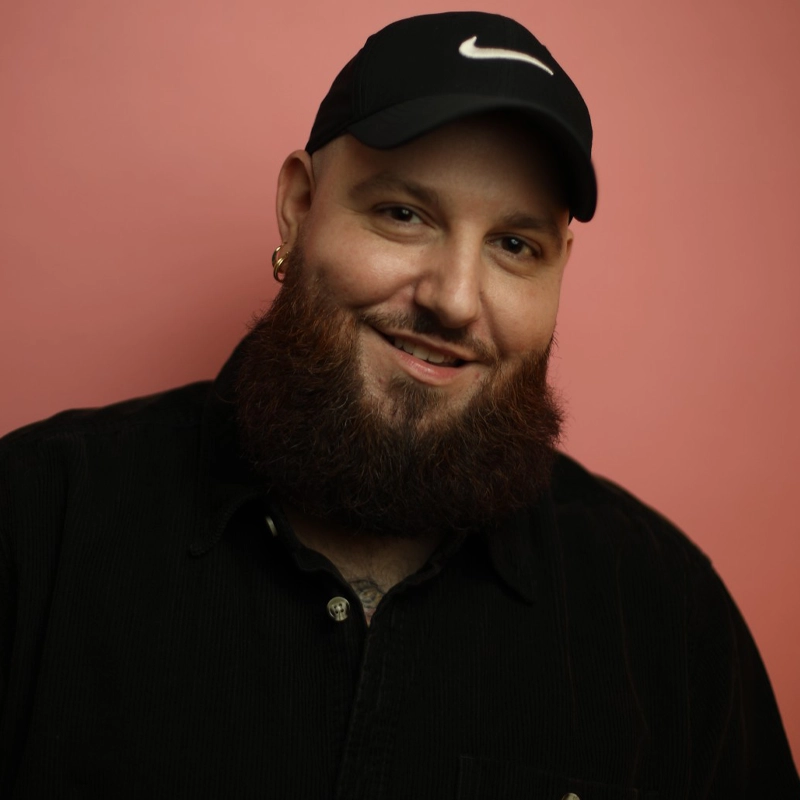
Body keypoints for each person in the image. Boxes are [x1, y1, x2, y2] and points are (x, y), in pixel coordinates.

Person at [0, 10, 797, 798]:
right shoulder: (35, 522)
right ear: (297, 207)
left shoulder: (664, 619)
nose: (454, 300)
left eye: (515, 245)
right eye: (404, 215)